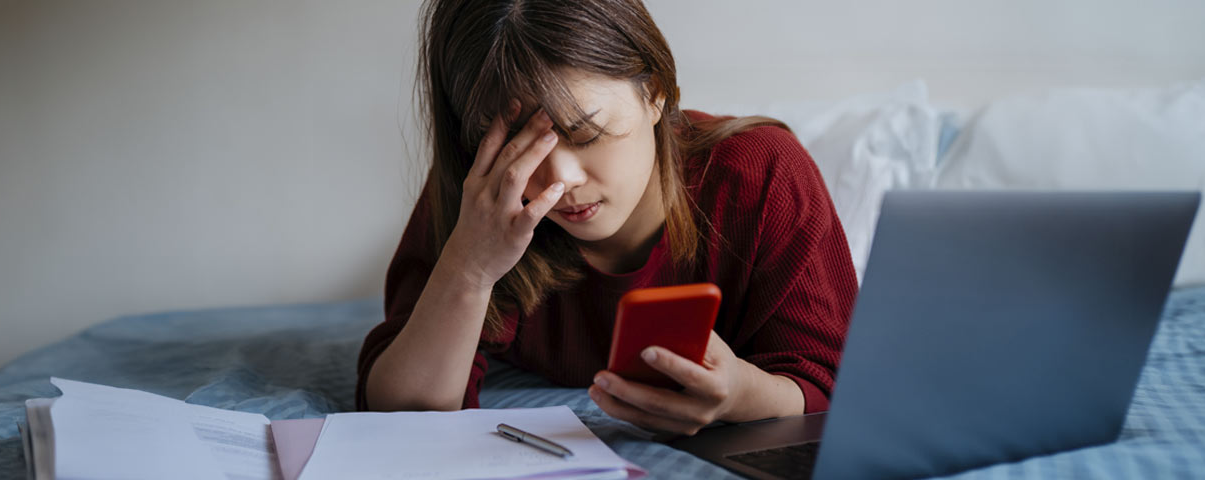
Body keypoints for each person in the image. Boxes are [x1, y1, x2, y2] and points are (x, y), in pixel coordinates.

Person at [356, 0, 857, 436]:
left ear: (656, 92)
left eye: (587, 134)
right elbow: (401, 409)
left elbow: (832, 382)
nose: (560, 179)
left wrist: (740, 396)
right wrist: (470, 267)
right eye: (520, 145)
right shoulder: (489, 192)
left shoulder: (760, 173)